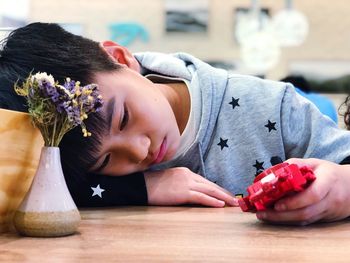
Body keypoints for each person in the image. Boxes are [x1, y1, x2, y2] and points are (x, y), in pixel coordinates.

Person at [2, 23, 350, 225]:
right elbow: (29, 197)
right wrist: (144, 188)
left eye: (125, 117)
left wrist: (343, 187)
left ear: (119, 58)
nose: (140, 150)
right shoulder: (75, 162)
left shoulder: (275, 106)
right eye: (106, 161)